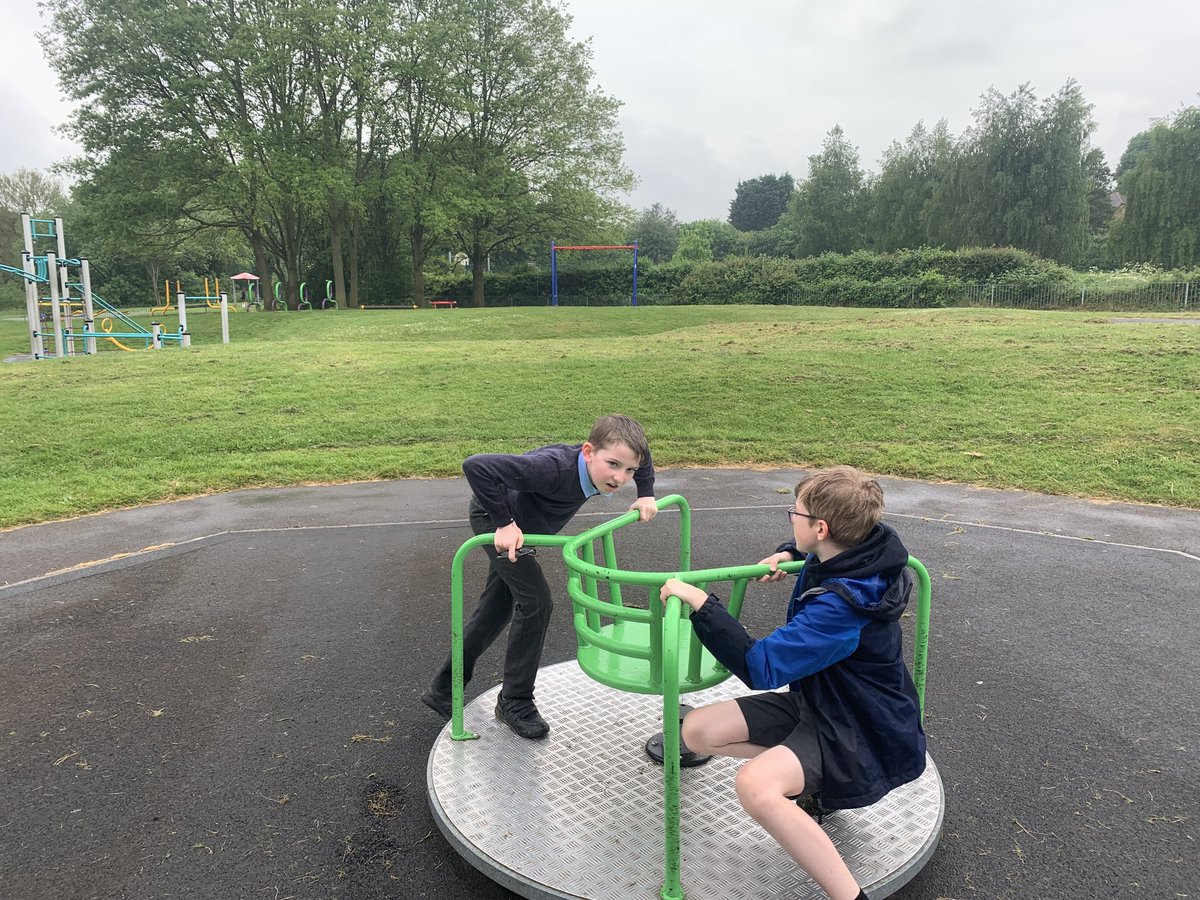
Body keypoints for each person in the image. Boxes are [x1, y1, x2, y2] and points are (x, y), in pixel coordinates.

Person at [659, 466, 925, 900]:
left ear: (821, 528)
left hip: (860, 728)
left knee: (755, 786)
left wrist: (702, 605)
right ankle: (809, 784)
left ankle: (848, 895)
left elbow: (761, 667)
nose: (790, 520)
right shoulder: (862, 550)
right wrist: (791, 552)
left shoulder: (841, 611)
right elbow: (839, 550)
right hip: (822, 704)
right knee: (697, 731)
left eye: (794, 516)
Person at [422, 414, 657, 740]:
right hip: (496, 520)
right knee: (536, 602)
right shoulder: (551, 468)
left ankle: (443, 691)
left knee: (496, 609)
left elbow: (640, 460)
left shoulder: (608, 464)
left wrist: (646, 492)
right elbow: (477, 466)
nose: (620, 477)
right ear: (588, 451)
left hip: (524, 528)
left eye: (629, 470)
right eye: (613, 464)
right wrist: (504, 524)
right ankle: (515, 701)